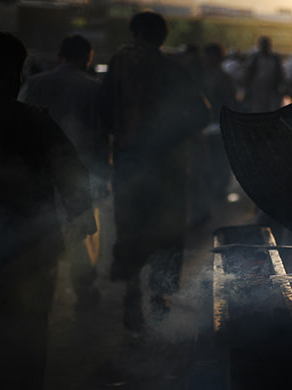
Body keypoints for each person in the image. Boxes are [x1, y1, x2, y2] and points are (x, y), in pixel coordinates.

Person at [0, 32, 95, 389]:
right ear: (17, 74)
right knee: (26, 345)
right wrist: (81, 219)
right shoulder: (35, 121)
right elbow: (73, 176)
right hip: (29, 257)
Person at [99, 12, 209, 331]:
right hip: (168, 166)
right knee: (167, 230)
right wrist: (170, 136)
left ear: (135, 34)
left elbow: (104, 114)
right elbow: (201, 114)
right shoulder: (174, 69)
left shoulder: (118, 67)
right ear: (162, 39)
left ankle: (132, 295)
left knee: (131, 226)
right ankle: (159, 296)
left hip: (129, 163)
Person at [19, 34, 107, 310]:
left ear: (60, 55)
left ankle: (39, 296)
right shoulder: (93, 89)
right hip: (80, 173)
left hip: (38, 172)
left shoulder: (34, 83)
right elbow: (102, 136)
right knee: (82, 236)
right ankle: (84, 293)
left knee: (44, 234)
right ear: (88, 57)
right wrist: (105, 173)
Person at [245, 36, 283, 112]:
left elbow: (280, 73)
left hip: (271, 90)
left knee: (270, 111)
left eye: (266, 45)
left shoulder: (275, 58)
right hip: (257, 90)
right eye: (262, 45)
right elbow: (248, 73)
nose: (264, 47)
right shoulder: (254, 58)